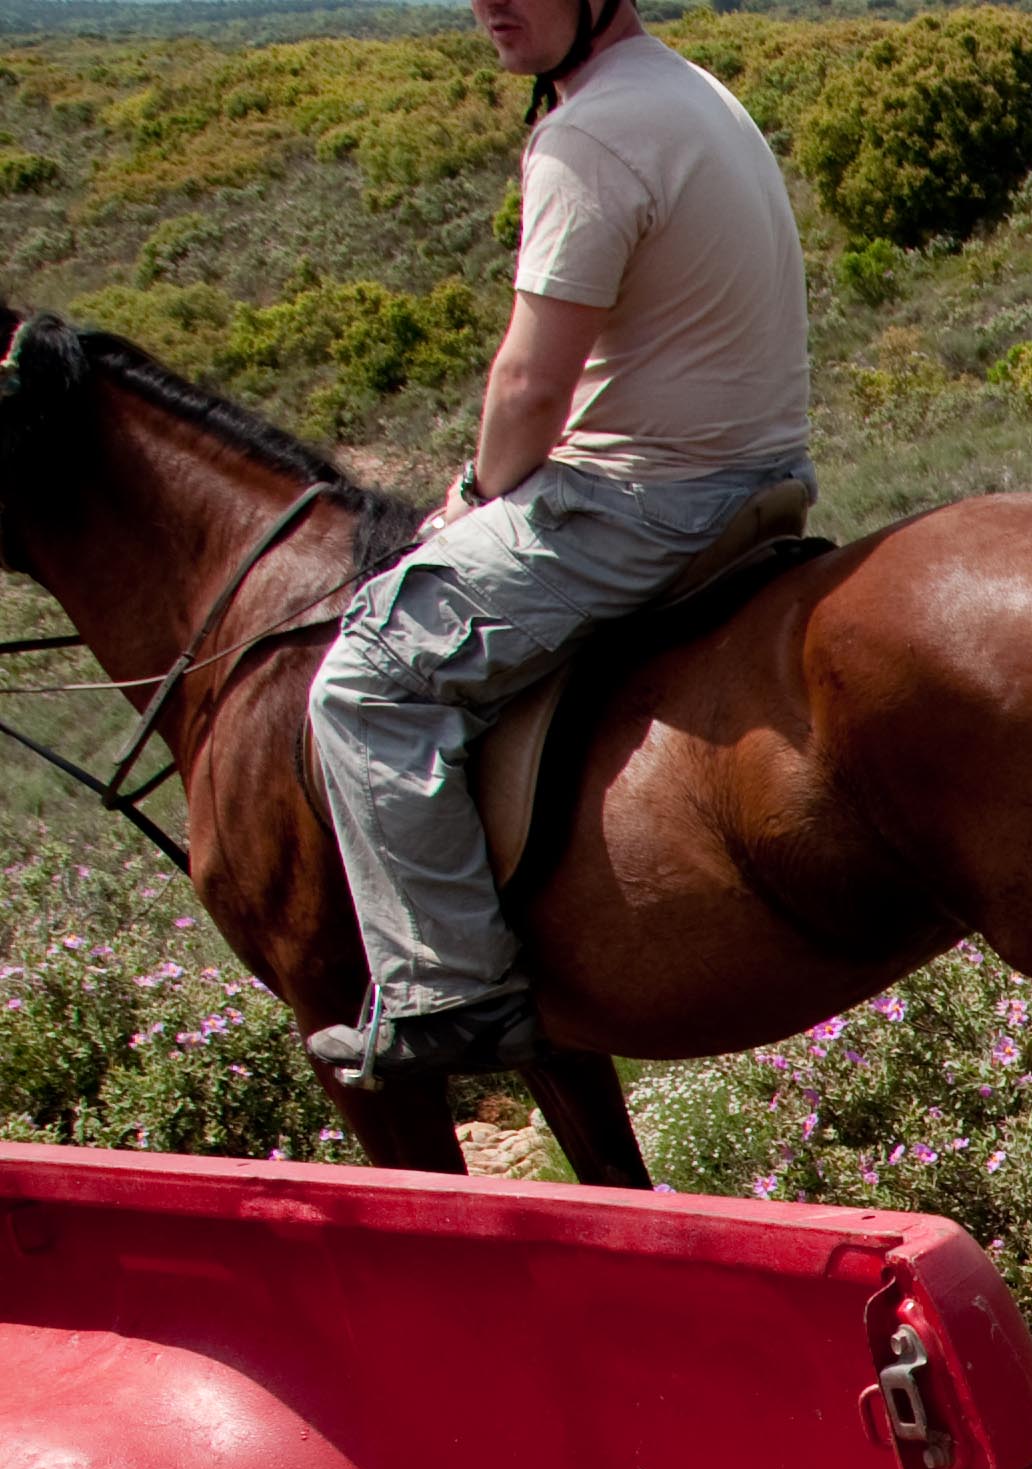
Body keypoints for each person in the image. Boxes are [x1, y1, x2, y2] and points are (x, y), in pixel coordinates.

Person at [304, 0, 813, 1089]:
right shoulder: (688, 90)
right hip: (757, 482)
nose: (490, 2)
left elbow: (531, 383)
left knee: (368, 676)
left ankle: (451, 996)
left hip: (642, 502)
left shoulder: (588, 131)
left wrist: (473, 494)